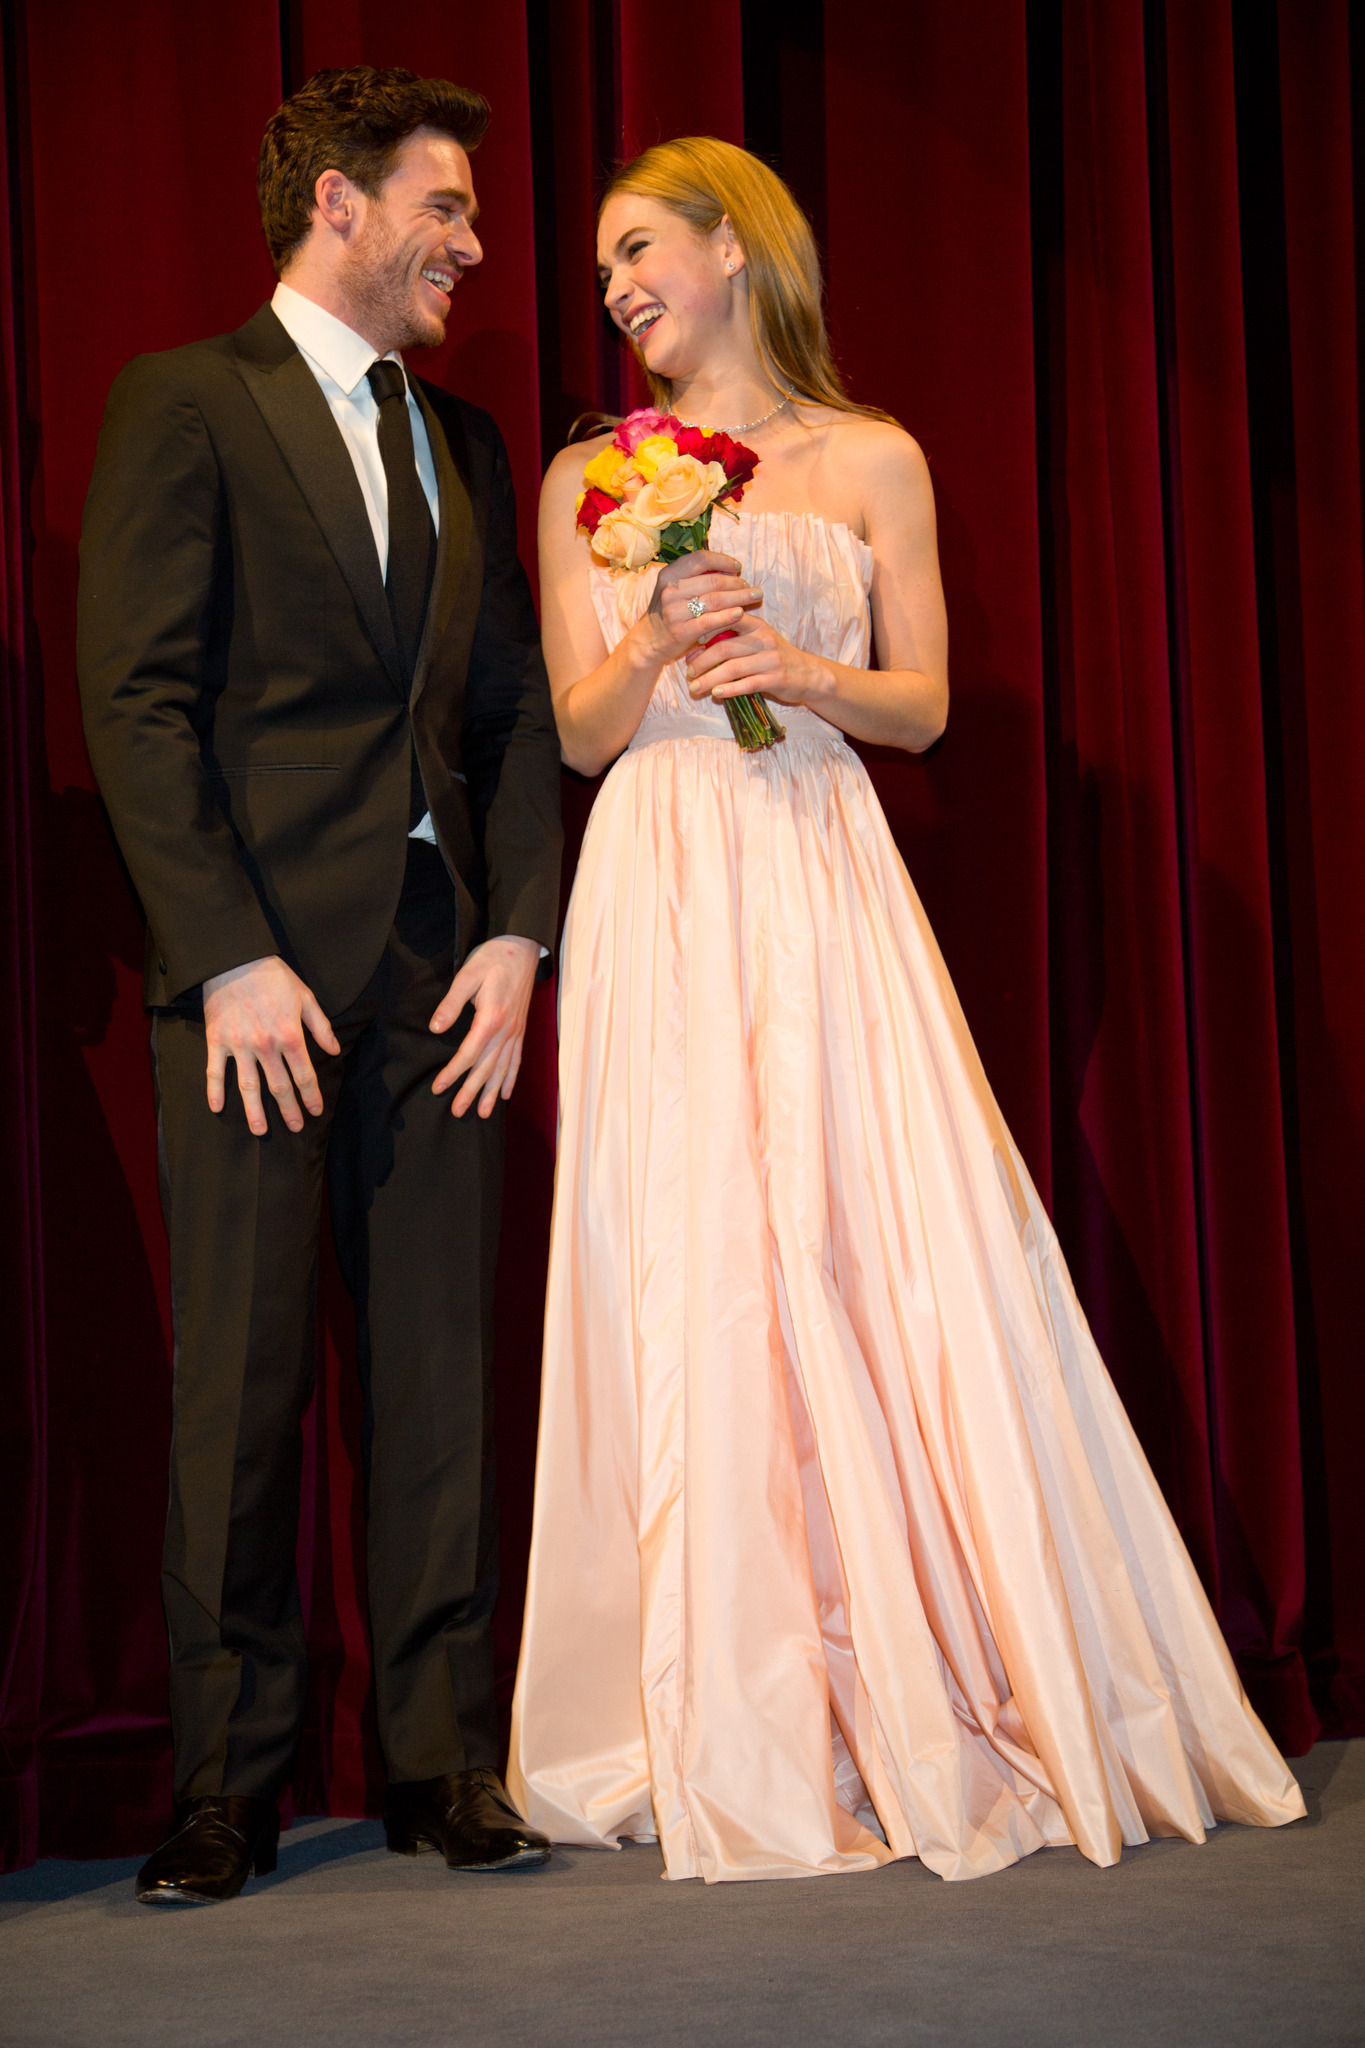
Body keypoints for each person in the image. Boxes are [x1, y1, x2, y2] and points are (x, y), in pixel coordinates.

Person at [507, 136, 1305, 1883]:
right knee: (696, 1252)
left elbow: (930, 707)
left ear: (736, 246)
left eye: (640, 248)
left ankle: (927, 1671)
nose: (617, 287)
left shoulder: (875, 458)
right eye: (600, 269)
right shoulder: (587, 471)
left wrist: (791, 667)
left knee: (866, 1235)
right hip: (655, 865)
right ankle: (724, 1697)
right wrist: (652, 641)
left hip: (813, 853)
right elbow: (569, 735)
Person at [78, 67, 560, 1904]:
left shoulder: (468, 440)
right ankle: (225, 1787)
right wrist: (228, 958)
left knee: (439, 1388)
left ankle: (444, 1763)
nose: (473, 243)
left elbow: (509, 718)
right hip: (255, 995)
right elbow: (137, 701)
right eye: (446, 205)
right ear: (338, 204)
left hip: (447, 986)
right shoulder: (187, 402)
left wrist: (522, 933)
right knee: (242, 1397)